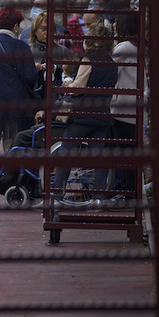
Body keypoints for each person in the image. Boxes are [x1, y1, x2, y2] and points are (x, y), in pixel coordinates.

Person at [51, 24, 118, 202]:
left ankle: (57, 192)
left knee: (66, 153)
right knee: (99, 157)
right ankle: (98, 197)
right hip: (102, 115)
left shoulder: (88, 58)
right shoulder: (112, 64)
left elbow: (78, 87)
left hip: (82, 116)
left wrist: (67, 85)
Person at [0, 7, 39, 180]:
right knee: (12, 148)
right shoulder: (21, 47)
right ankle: (11, 187)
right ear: (15, 26)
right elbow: (30, 77)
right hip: (15, 109)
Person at [109, 5, 140, 199]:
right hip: (134, 107)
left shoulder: (123, 48)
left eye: (116, 22)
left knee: (123, 152)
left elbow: (111, 73)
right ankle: (129, 190)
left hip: (122, 108)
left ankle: (126, 191)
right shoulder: (137, 45)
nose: (113, 25)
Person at [28, 12, 77, 105]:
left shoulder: (63, 51)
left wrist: (55, 68)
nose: (47, 32)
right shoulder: (27, 51)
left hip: (56, 100)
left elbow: (71, 75)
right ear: (34, 31)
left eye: (50, 29)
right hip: (33, 100)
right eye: (43, 29)